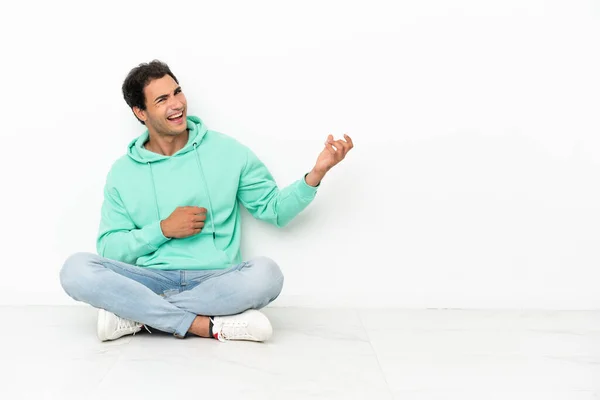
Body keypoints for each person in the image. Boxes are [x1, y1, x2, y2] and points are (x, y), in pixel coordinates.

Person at [60, 60, 353, 343]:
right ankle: (205, 325)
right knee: (75, 269)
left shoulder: (228, 152)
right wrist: (163, 229)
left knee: (267, 274)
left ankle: (140, 316)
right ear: (141, 112)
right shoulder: (123, 172)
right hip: (150, 278)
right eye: (162, 99)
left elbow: (274, 210)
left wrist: (316, 174)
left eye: (177, 92)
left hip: (216, 280)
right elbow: (110, 248)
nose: (177, 104)